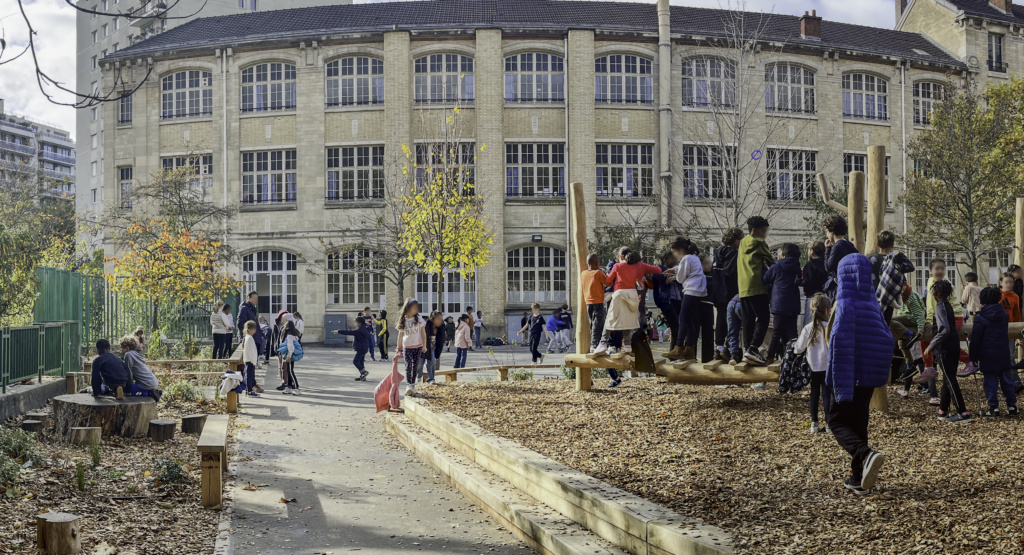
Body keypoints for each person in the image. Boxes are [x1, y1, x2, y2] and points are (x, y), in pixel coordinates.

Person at [826, 254, 891, 495]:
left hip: (849, 373)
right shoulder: (873, 303)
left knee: (835, 420)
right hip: (867, 377)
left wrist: (839, 382)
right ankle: (858, 477)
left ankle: (866, 454)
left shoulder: (845, 304)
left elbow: (841, 344)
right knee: (858, 422)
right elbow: (886, 338)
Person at [597, 248, 664, 355]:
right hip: (632, 295)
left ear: (620, 257)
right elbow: (658, 270)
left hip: (620, 294)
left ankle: (603, 343)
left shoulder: (618, 266)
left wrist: (601, 275)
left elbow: (608, 282)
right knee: (627, 320)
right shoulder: (640, 265)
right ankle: (627, 345)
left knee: (610, 318)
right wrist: (643, 274)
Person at [923, 280, 971, 422]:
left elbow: (944, 330)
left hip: (944, 349)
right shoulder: (947, 306)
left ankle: (963, 413)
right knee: (947, 379)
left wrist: (930, 346)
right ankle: (942, 410)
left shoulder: (940, 308)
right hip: (953, 346)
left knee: (950, 379)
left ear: (935, 293)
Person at [970, 286, 1019, 417]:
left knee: (990, 381)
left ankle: (994, 407)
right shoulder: (1003, 315)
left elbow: (975, 338)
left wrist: (973, 356)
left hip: (987, 353)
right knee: (1006, 380)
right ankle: (1012, 405)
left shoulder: (980, 317)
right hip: (1002, 351)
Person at [737, 216, 775, 365]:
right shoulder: (759, 242)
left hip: (743, 286)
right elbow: (772, 262)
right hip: (757, 285)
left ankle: (748, 350)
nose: (765, 234)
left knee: (747, 320)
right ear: (755, 231)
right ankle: (753, 348)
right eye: (763, 231)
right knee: (764, 318)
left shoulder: (743, 242)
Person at [795, 294, 830, 433]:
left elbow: (798, 349)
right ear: (827, 311)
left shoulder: (808, 328)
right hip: (827, 366)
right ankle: (828, 424)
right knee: (828, 395)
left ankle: (814, 423)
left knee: (814, 394)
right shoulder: (830, 327)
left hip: (813, 366)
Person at [764, 243, 802, 365]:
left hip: (779, 303)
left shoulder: (777, 265)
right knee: (792, 333)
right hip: (793, 304)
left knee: (777, 332)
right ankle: (793, 360)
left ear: (784, 254)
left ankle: (770, 357)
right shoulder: (797, 266)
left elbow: (766, 279)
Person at [666, 237, 703, 361]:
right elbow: (687, 270)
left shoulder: (685, 259)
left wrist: (675, 275)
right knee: (691, 321)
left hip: (690, 291)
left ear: (680, 250)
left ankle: (678, 347)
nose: (675, 255)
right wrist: (675, 270)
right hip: (698, 291)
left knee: (683, 319)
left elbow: (681, 278)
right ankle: (689, 349)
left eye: (674, 252)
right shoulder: (693, 257)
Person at [712, 228, 743, 361]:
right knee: (730, 320)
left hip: (718, 289)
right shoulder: (735, 253)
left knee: (720, 317)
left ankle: (718, 346)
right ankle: (728, 347)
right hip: (730, 289)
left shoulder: (719, 251)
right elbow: (732, 272)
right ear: (736, 240)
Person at [651, 251, 682, 351]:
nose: (675, 260)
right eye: (673, 258)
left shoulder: (677, 270)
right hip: (667, 301)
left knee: (679, 326)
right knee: (675, 326)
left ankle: (677, 350)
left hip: (678, 300)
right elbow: (655, 277)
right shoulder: (660, 268)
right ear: (665, 259)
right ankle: (674, 351)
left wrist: (675, 277)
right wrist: (667, 274)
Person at [823, 215, 859, 301]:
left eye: (827, 231)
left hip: (840, 286)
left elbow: (828, 267)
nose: (827, 234)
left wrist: (827, 249)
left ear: (832, 230)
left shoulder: (837, 246)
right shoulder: (849, 244)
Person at [396, 298, 427, 397]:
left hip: (417, 346)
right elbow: (400, 335)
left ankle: (412, 385)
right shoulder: (403, 320)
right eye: (414, 308)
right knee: (408, 366)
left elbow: (423, 333)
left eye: (417, 308)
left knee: (415, 366)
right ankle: (408, 385)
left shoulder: (419, 319)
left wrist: (424, 345)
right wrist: (398, 347)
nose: (416, 310)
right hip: (407, 347)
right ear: (408, 308)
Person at [999, 272, 1023, 391]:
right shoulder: (997, 295)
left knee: (1010, 356)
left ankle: (1015, 381)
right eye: (1006, 282)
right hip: (997, 331)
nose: (1008, 284)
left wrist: (1017, 332)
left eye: (1011, 282)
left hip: (1010, 330)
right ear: (1001, 283)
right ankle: (1002, 381)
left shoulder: (1015, 297)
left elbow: (1016, 314)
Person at [120, 336, 162, 401]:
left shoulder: (128, 355)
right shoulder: (136, 354)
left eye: (122, 348)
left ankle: (148, 393)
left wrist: (128, 389)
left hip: (146, 384)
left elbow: (129, 374)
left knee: (126, 391)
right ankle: (151, 393)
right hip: (153, 382)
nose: (121, 351)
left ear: (127, 348)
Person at [332, 316, 373, 381]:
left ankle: (364, 372)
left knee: (355, 361)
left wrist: (338, 331)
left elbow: (349, 332)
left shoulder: (359, 330)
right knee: (361, 362)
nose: (355, 324)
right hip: (364, 347)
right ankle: (363, 376)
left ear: (359, 323)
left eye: (355, 322)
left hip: (361, 348)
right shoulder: (366, 328)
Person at [581, 254, 608, 352]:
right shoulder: (598, 273)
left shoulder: (583, 273)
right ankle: (595, 344)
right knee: (598, 323)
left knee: (592, 323)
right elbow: (607, 282)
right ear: (597, 263)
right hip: (598, 301)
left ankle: (595, 344)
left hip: (588, 301)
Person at [800, 241, 828, 327]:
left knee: (810, 325)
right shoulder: (826, 264)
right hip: (825, 297)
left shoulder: (809, 266)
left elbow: (808, 282)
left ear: (812, 252)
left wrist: (798, 281)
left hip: (812, 298)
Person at [237, 291, 266, 360]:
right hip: (248, 337)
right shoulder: (244, 308)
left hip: (254, 337)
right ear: (249, 298)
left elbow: (256, 323)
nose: (256, 300)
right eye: (254, 298)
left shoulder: (252, 309)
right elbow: (240, 324)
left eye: (257, 298)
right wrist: (248, 332)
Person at [420, 311, 445, 383]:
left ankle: (431, 378)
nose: (440, 321)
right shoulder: (426, 325)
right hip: (425, 346)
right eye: (438, 319)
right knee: (424, 363)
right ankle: (426, 378)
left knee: (433, 362)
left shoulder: (440, 327)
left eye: (441, 319)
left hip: (433, 347)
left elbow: (441, 338)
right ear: (432, 319)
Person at [280, 320, 302, 396]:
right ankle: (289, 387)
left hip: (290, 355)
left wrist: (289, 356)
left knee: (291, 372)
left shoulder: (289, 335)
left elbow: (290, 347)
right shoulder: (294, 334)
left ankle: (296, 388)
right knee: (289, 371)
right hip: (292, 354)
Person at [241, 321, 263, 395]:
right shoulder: (249, 338)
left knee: (248, 375)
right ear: (250, 329)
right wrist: (254, 362)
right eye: (254, 329)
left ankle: (249, 390)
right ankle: (249, 391)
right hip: (250, 360)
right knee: (249, 376)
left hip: (248, 360)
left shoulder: (248, 337)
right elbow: (251, 351)